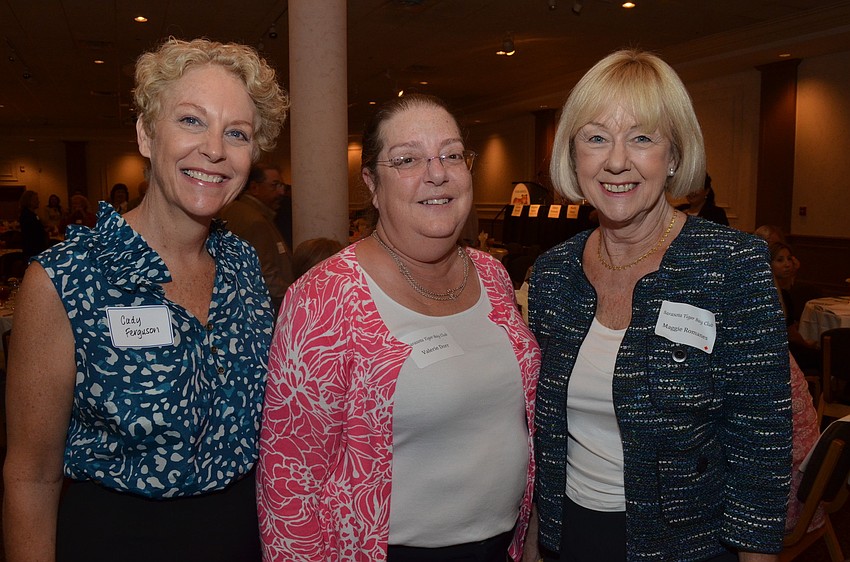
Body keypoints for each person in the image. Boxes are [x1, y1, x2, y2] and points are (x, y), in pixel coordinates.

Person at [3, 37, 289, 562]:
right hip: (118, 540)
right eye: (190, 120)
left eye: (237, 133)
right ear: (145, 135)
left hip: (246, 537)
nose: (215, 150)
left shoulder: (245, 269)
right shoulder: (63, 279)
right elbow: (30, 476)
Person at [527, 49, 791, 561]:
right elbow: (542, 427)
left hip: (690, 545)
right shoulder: (554, 273)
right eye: (596, 138)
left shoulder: (732, 263)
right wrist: (538, 537)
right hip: (572, 534)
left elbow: (762, 436)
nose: (617, 161)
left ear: (673, 157)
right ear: (574, 155)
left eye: (642, 138)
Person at [257, 93, 540, 562]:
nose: (437, 173)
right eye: (407, 159)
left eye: (451, 154)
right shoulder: (325, 296)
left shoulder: (491, 276)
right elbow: (290, 480)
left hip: (502, 546)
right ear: (371, 183)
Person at [219, 164, 294, 312]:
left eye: (282, 186)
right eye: (275, 185)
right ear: (254, 188)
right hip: (262, 307)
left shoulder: (234, 209)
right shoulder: (255, 221)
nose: (281, 192)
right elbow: (265, 274)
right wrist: (294, 298)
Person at [769, 241, 821, 372]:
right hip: (782, 351)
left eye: (789, 259)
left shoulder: (783, 291)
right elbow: (791, 335)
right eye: (780, 260)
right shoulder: (777, 295)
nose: (787, 264)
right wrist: (807, 344)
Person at [18, 190, 49, 260]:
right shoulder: (27, 215)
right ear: (29, 201)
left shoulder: (32, 215)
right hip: (33, 249)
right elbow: (33, 232)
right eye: (36, 199)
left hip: (35, 248)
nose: (38, 201)